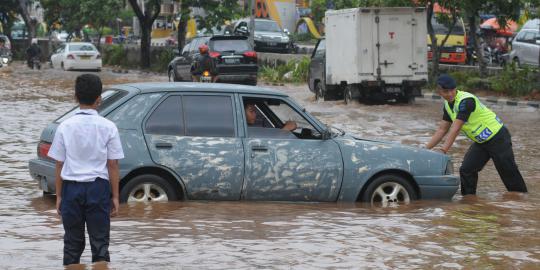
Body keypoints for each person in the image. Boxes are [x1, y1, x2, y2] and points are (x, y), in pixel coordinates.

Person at [48, 74, 124, 266]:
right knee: (100, 244)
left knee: (72, 244)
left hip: (71, 190)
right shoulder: (109, 127)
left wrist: (58, 196)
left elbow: (59, 164)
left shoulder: (64, 127)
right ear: (99, 99)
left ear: (75, 97)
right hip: (98, 189)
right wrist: (115, 196)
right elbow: (113, 164)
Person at [426, 74, 527, 196]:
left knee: (508, 171)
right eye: (446, 91)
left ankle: (521, 200)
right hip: (482, 142)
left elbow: (455, 129)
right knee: (466, 170)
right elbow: (442, 130)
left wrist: (443, 150)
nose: (450, 94)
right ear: (439, 92)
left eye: (452, 90)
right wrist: (424, 150)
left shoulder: (466, 101)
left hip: (498, 137)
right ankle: (469, 200)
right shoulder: (448, 106)